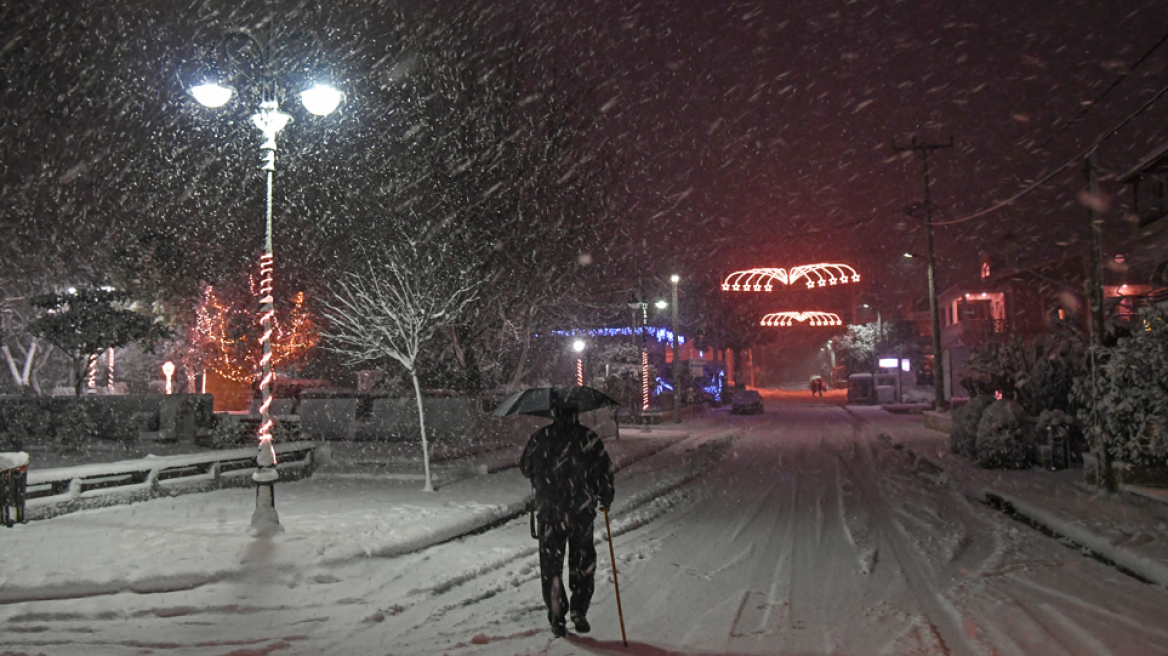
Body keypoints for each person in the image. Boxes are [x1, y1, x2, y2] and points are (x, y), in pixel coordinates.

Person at [520, 405, 615, 638]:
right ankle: (579, 609)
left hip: (550, 515)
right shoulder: (588, 438)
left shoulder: (539, 438)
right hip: (580, 513)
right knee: (582, 562)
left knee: (551, 568)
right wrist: (605, 495)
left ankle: (557, 618)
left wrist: (545, 476)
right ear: (576, 413)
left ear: (553, 413)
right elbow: (603, 471)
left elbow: (525, 468)